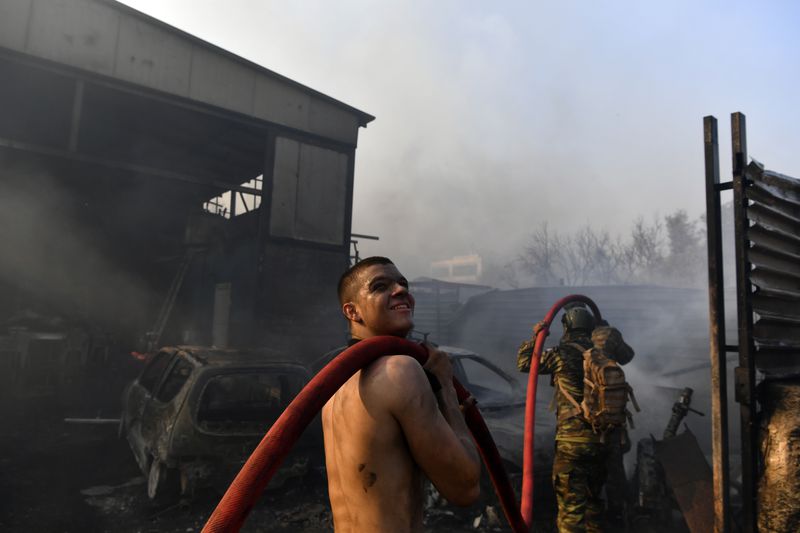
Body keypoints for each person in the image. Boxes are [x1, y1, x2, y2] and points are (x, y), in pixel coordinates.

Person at [322, 256, 481, 532]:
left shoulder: (335, 386)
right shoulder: (399, 370)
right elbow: (465, 488)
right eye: (380, 286)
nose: (400, 290)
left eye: (402, 283)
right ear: (353, 311)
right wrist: (445, 389)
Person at [516, 304, 606, 533]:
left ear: (566, 327)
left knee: (571, 510)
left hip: (571, 442)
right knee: (594, 506)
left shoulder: (560, 354)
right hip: (602, 440)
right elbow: (627, 355)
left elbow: (524, 363)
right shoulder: (603, 354)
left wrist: (536, 336)